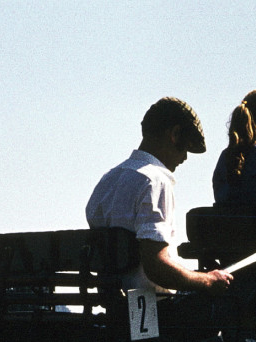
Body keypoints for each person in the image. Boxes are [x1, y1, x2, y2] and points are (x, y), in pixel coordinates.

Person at [86, 97, 233, 295]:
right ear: (174, 134)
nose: (185, 158)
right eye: (185, 147)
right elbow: (156, 268)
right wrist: (207, 280)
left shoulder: (108, 181)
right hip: (152, 314)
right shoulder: (155, 180)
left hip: (114, 311)